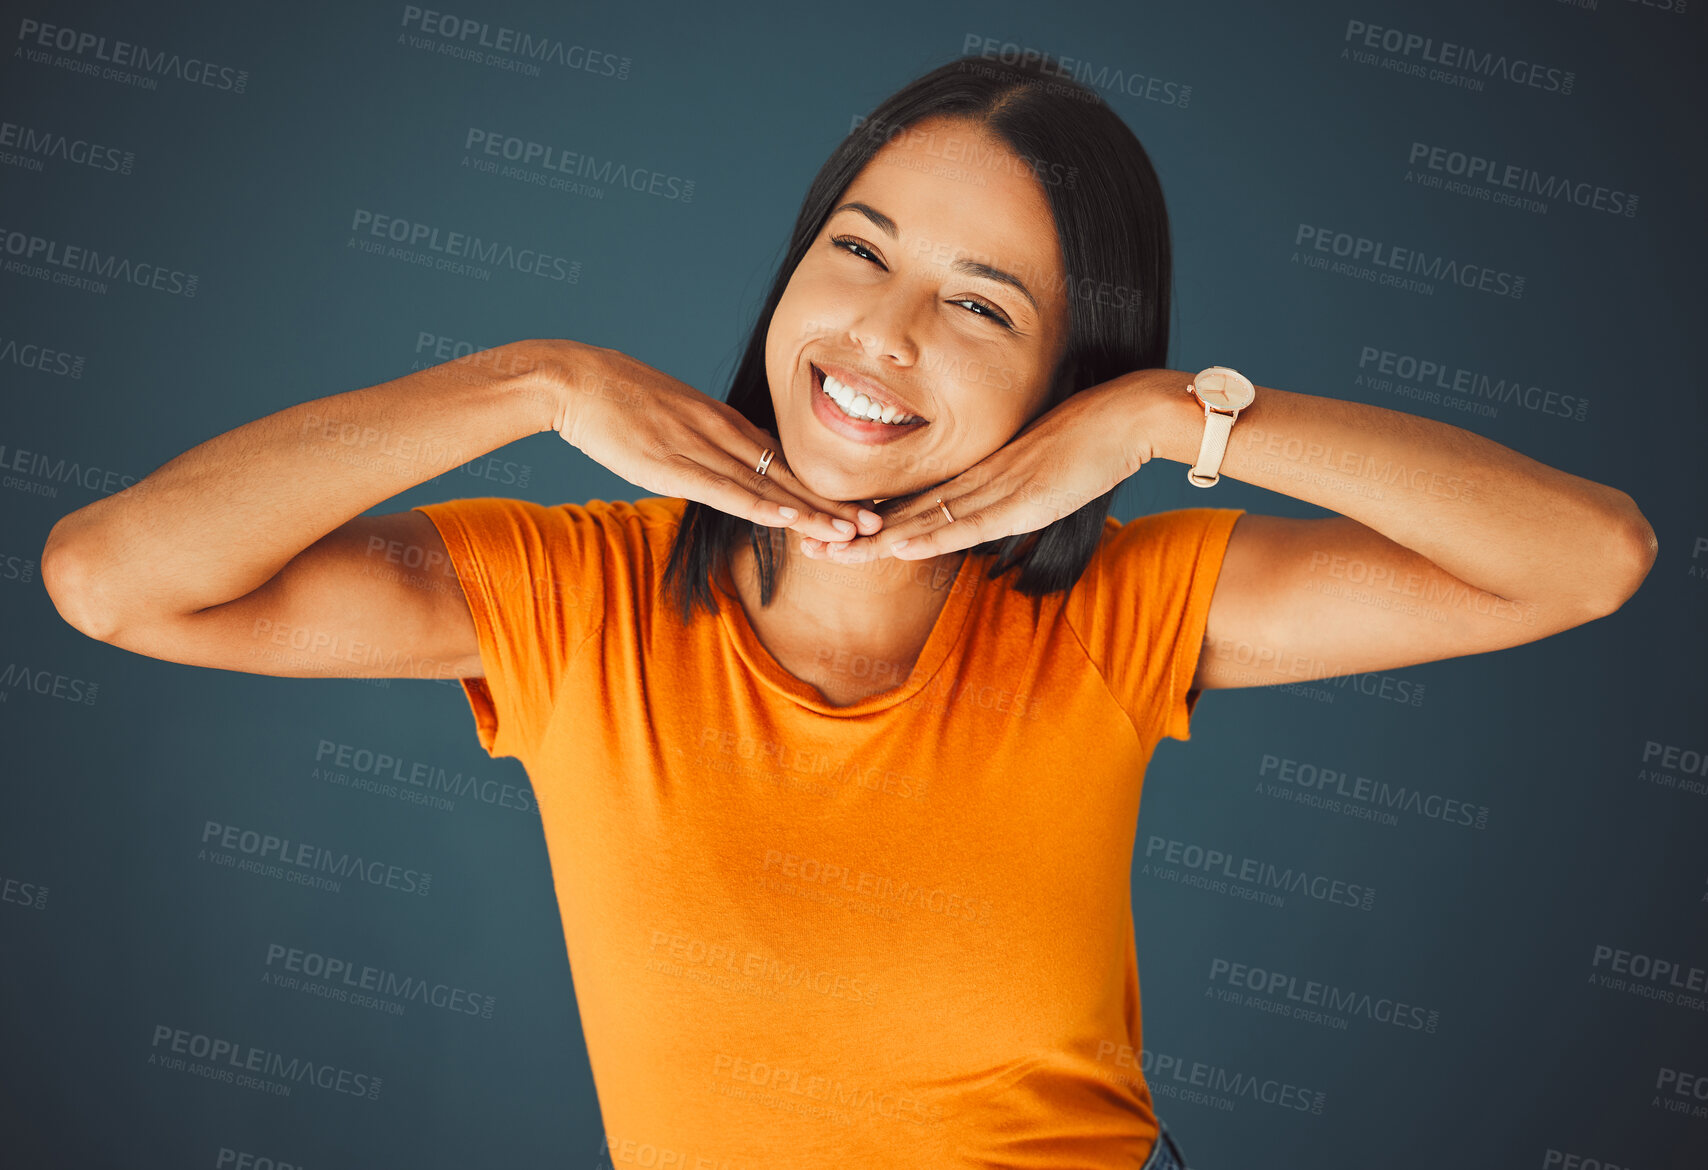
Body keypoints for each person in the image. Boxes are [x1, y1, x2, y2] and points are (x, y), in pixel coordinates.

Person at [41, 52, 1655, 1170]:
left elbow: (1586, 554)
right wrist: (527, 380)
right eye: (857, 249)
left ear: (1060, 378)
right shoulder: (579, 601)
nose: (880, 333)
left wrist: (1177, 417)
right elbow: (111, 577)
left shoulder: (1111, 616)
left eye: (979, 303)